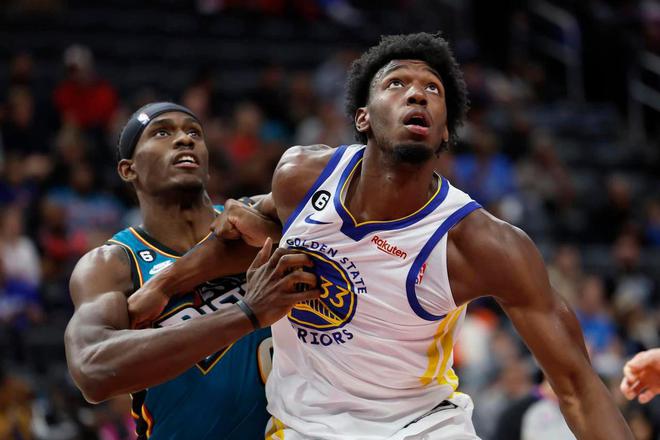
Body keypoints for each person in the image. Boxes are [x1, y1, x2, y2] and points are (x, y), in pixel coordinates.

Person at [131, 34, 633, 439]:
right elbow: (240, 237)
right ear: (363, 117)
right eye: (396, 83)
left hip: (423, 427)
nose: (417, 94)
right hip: (305, 428)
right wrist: (165, 282)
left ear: (444, 132)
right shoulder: (301, 176)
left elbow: (578, 387)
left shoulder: (480, 243)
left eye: (433, 89)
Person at [63, 102, 321, 439]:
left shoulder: (256, 217)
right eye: (162, 132)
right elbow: (92, 369)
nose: (184, 139)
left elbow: (339, 180)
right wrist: (246, 314)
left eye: (194, 133)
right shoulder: (113, 263)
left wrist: (169, 283)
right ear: (128, 169)